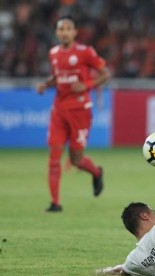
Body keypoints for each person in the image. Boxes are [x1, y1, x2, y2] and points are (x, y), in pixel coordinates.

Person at [36, 15, 110, 212]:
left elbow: (106, 75)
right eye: (61, 29)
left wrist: (86, 85)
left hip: (80, 110)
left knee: (76, 160)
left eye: (68, 28)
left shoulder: (85, 52)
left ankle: (96, 172)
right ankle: (55, 203)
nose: (64, 32)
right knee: (54, 157)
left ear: (75, 32)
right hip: (59, 110)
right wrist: (46, 83)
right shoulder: (53, 53)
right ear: (57, 32)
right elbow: (58, 75)